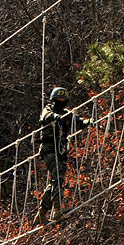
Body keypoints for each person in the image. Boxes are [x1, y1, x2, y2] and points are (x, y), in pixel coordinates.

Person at [33, 87, 89, 224]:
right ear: (53, 99)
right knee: (57, 176)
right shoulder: (48, 110)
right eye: (59, 99)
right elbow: (44, 117)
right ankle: (57, 209)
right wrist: (56, 117)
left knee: (56, 181)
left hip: (61, 152)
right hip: (49, 151)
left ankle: (41, 214)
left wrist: (87, 122)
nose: (61, 101)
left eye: (64, 99)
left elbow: (77, 120)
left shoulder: (67, 114)